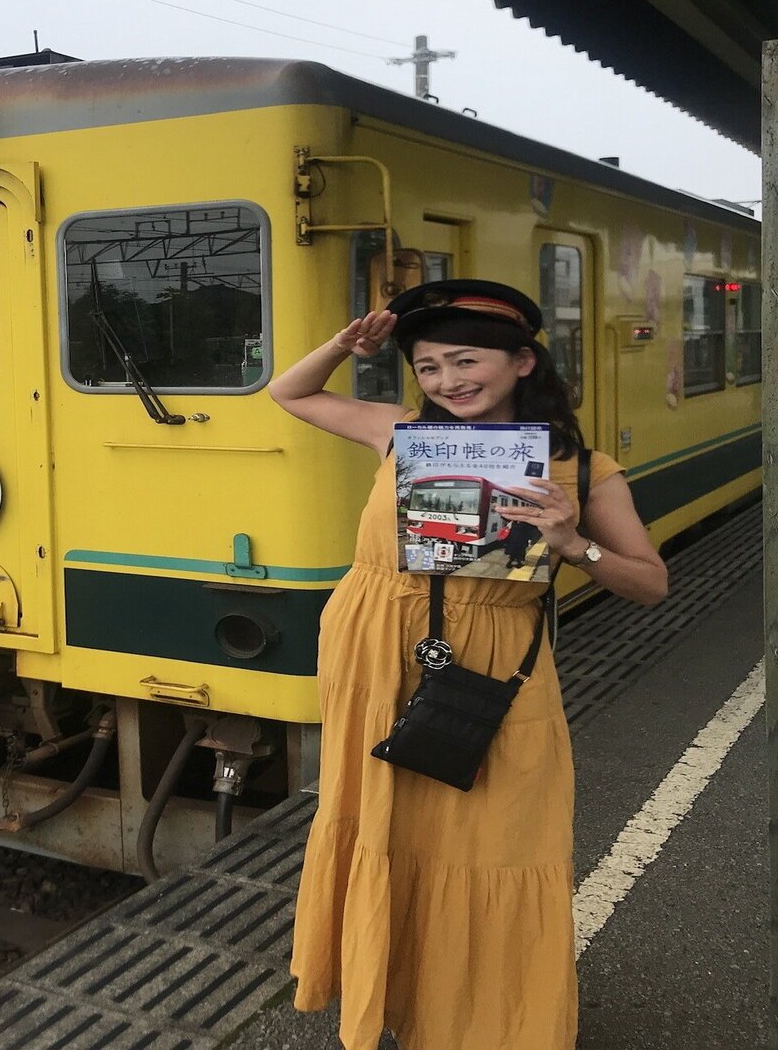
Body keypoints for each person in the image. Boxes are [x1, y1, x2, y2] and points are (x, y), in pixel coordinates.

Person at [268, 279, 667, 1050]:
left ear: (522, 361)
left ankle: (486, 1024)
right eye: (427, 367)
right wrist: (348, 347)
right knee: (383, 825)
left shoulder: (582, 469)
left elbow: (650, 583)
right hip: (375, 649)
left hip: (496, 664)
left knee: (497, 841)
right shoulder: (399, 432)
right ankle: (397, 999)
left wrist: (572, 545)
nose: (448, 381)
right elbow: (292, 392)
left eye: (465, 360)